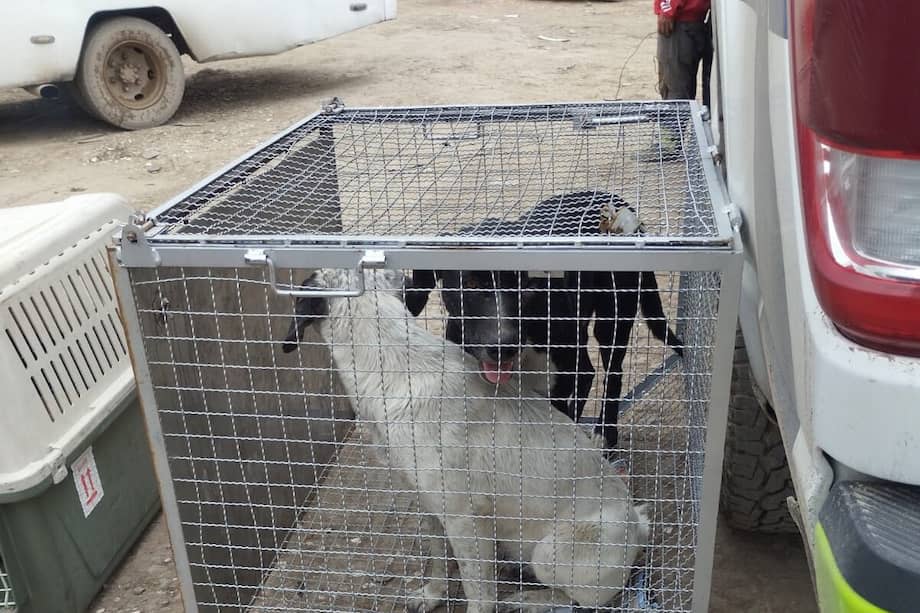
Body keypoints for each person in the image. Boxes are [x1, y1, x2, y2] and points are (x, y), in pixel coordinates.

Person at [644, 0, 713, 161]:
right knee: (691, 81)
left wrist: (668, 8)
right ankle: (699, 141)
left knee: (674, 81)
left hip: (681, 19)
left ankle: (670, 145)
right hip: (696, 16)